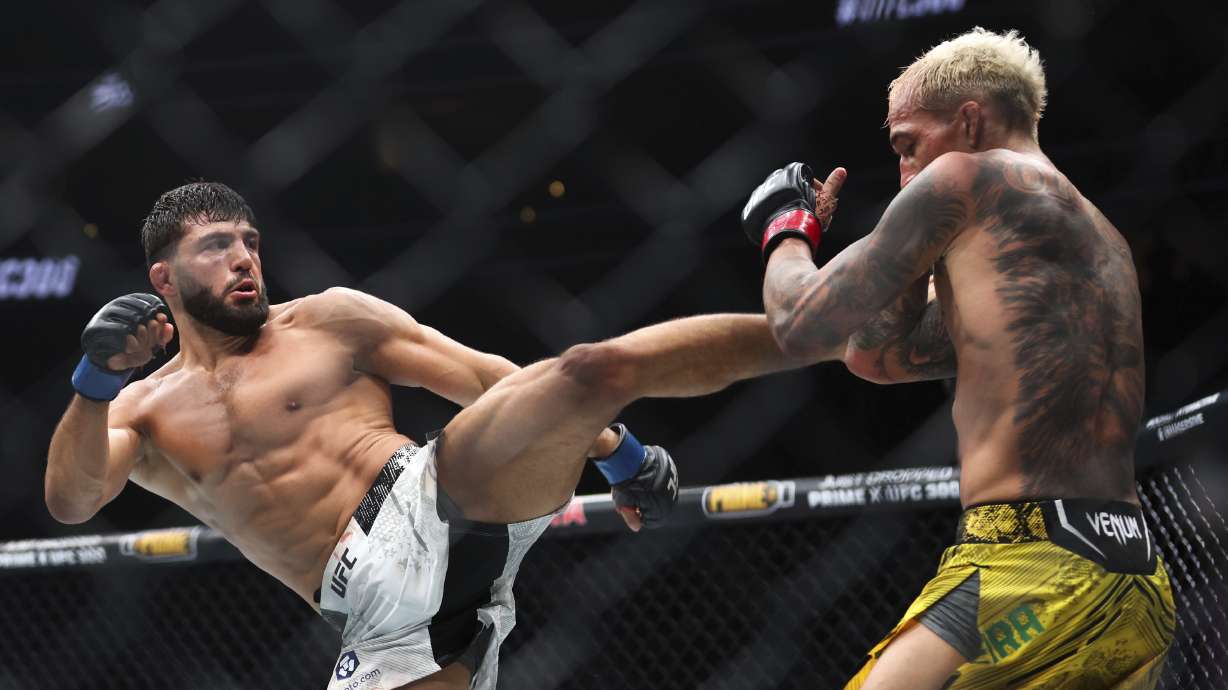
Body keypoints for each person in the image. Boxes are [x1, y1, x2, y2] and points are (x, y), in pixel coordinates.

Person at [45, 182, 804, 690]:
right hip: (371, 617)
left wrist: (616, 454)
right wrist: (93, 380)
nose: (244, 258)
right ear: (163, 280)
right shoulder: (139, 410)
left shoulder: (328, 320)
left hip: (427, 496)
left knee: (583, 373)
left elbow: (479, 376)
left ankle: (822, 326)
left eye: (249, 242)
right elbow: (73, 499)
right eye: (216, 246)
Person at [741, 27, 1175, 689]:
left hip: (1024, 564)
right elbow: (877, 357)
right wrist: (909, 266)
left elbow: (800, 323)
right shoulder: (1096, 240)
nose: (905, 173)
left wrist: (784, 227)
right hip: (1135, 577)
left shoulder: (965, 175)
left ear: (969, 121)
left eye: (907, 145)